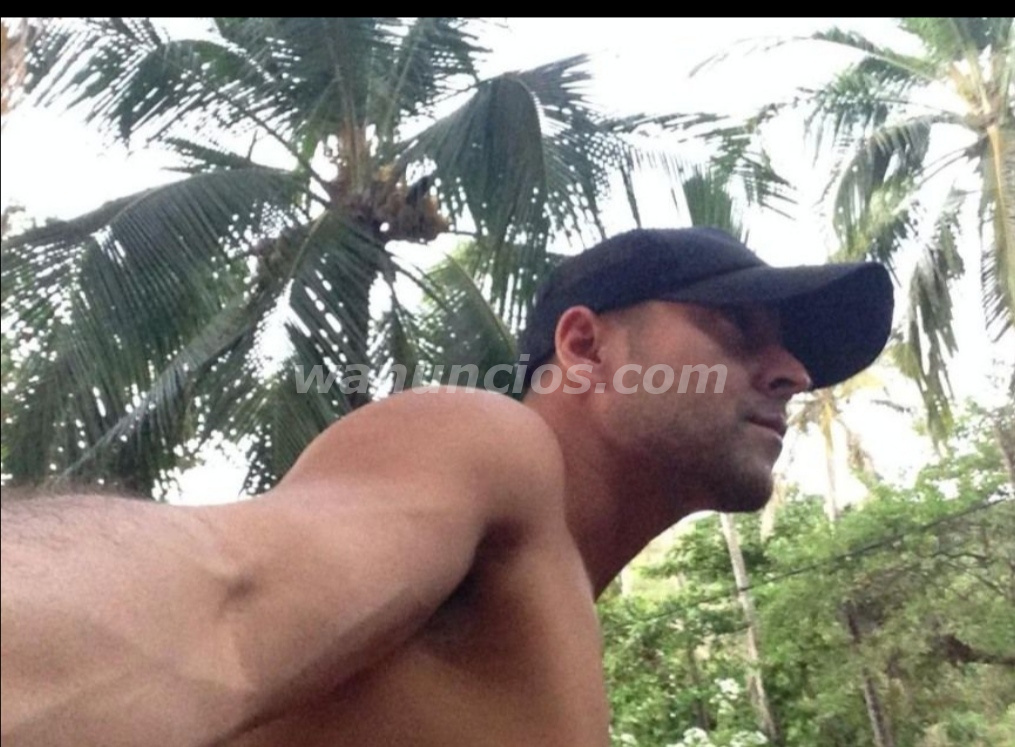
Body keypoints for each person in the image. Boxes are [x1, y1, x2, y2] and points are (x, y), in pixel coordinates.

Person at [0, 228, 893, 746]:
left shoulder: (552, 633)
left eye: (787, 350)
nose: (790, 371)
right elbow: (225, 598)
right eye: (735, 328)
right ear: (584, 346)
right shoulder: (486, 444)